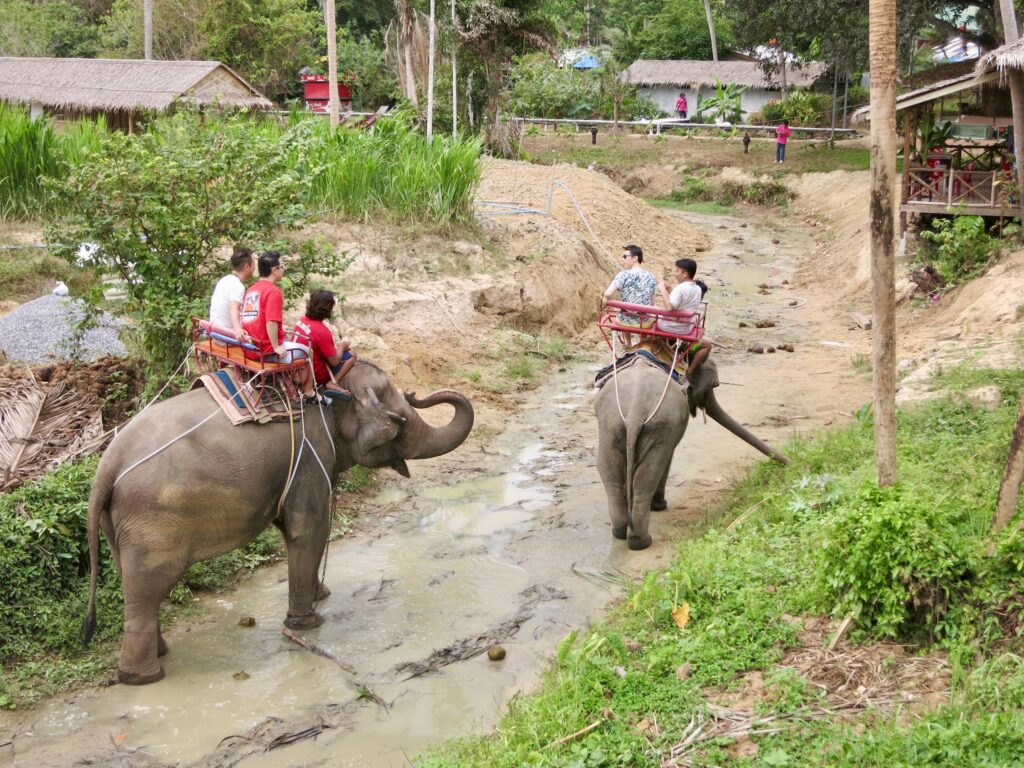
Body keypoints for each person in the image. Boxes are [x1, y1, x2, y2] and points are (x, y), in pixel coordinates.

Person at [240, 251, 308, 364]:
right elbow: (271, 322)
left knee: (285, 336)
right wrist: (275, 347)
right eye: (281, 267)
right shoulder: (273, 292)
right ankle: (302, 382)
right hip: (266, 351)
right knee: (308, 351)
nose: (283, 269)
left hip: (250, 348)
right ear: (274, 270)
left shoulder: (251, 290)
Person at [290, 289, 357, 400]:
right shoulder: (322, 331)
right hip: (315, 374)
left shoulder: (302, 321)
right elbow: (334, 362)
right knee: (352, 354)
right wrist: (341, 347)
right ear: (328, 309)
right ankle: (332, 382)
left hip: (299, 367)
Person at [657, 260, 710, 380]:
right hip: (685, 328)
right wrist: (670, 288)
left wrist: (663, 289)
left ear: (685, 274)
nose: (675, 273)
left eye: (677, 271)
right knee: (707, 346)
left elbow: (669, 307)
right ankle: (690, 371)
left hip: (668, 327)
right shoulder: (697, 289)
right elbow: (682, 302)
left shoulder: (680, 288)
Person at [603, 244, 658, 348]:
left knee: (622, 310)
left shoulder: (623, 275)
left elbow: (608, 293)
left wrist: (609, 299)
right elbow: (653, 302)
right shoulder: (651, 276)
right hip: (644, 322)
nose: (622, 260)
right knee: (646, 314)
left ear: (635, 258)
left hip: (625, 321)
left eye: (625, 256)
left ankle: (628, 344)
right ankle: (643, 342)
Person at [209, 246, 254, 341]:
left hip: (216, 334)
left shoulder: (224, 280)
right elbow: (233, 308)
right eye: (253, 265)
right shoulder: (238, 286)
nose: (254, 268)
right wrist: (238, 330)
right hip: (227, 337)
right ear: (247, 267)